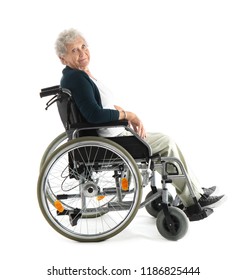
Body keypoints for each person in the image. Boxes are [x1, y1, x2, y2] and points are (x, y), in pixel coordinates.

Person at [55, 28, 225, 211]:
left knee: (162, 141)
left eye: (83, 46)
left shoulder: (78, 75)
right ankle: (193, 201)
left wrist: (117, 110)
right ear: (63, 58)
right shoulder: (77, 78)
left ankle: (194, 190)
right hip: (110, 141)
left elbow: (96, 107)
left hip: (112, 135)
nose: (82, 53)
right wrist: (128, 115)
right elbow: (95, 115)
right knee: (166, 143)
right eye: (74, 50)